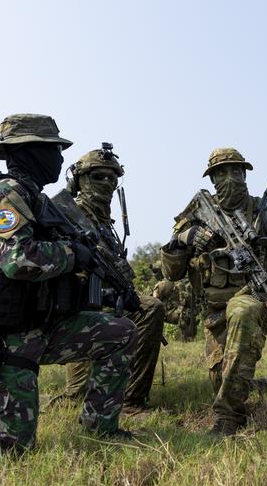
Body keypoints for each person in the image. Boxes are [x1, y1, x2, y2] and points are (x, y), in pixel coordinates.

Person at [0, 114, 137, 458]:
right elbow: (18, 260)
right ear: (31, 153)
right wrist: (72, 253)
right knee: (4, 452)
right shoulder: (4, 195)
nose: (60, 159)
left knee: (119, 331)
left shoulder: (38, 200)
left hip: (40, 326)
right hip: (5, 340)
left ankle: (101, 427)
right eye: (54, 151)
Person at [160, 147, 267, 436]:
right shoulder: (197, 216)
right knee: (227, 380)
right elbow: (171, 273)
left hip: (255, 303)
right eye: (221, 173)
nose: (230, 178)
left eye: (236, 171)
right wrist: (183, 240)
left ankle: (229, 417)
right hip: (214, 313)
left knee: (243, 310)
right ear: (211, 179)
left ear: (245, 174)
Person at [61, 145, 165, 411]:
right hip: (76, 303)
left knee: (149, 308)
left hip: (103, 299)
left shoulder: (104, 220)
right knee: (76, 398)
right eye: (98, 177)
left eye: (112, 178)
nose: (107, 183)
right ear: (80, 180)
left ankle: (131, 400)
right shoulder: (68, 214)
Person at [151, 261, 198, 342]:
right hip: (186, 313)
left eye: (155, 271)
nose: (154, 274)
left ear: (161, 271)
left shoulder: (162, 284)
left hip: (173, 314)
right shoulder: (179, 280)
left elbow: (153, 302)